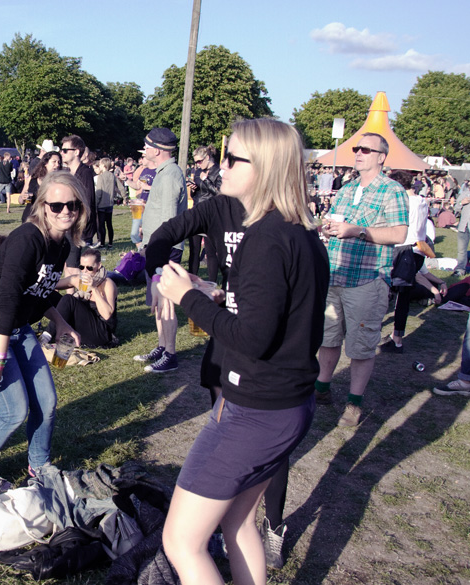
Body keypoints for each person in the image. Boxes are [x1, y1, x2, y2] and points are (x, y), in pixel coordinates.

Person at [157, 118, 329, 585]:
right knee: (236, 524)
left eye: (233, 158)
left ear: (267, 167)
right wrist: (217, 296)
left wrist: (184, 296)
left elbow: (253, 338)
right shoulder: (300, 233)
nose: (221, 165)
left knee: (182, 542)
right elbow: (279, 317)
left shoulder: (265, 238)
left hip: (257, 410)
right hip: (284, 404)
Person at [0, 171, 86, 494]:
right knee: (13, 410)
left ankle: (38, 464)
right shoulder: (27, 239)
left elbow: (38, 291)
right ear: (43, 206)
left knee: (46, 399)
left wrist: (61, 322)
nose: (65, 212)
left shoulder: (61, 245)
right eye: (56, 206)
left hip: (17, 326)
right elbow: (7, 299)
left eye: (72, 205)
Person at [315, 132, 408, 427]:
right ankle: (321, 389)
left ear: (381, 157)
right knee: (328, 338)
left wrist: (358, 231)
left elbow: (400, 234)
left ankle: (354, 403)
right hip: (334, 275)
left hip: (367, 279)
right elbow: (334, 221)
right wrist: (327, 228)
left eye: (367, 149)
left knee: (361, 345)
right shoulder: (346, 188)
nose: (358, 153)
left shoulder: (392, 191)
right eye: (357, 148)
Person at [135, 128, 187, 374]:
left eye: (146, 147)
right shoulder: (164, 173)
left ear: (156, 149)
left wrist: (157, 250)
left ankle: (171, 354)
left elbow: (169, 221)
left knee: (165, 301)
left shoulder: (169, 176)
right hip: (156, 248)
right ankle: (161, 346)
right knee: (157, 301)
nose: (144, 151)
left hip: (164, 250)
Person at [379, 170, 430, 354]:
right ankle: (395, 337)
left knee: (392, 293)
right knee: (401, 296)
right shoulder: (422, 200)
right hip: (417, 250)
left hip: (404, 249)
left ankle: (396, 340)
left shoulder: (406, 202)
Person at [44, 247, 117, 348]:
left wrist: (94, 288)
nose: (85, 271)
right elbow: (51, 285)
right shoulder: (79, 279)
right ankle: (23, 327)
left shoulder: (107, 284)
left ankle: (46, 336)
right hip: (83, 325)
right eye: (82, 267)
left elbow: (107, 315)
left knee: (69, 299)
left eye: (89, 268)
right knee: (49, 294)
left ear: (99, 266)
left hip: (101, 333)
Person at [186, 145, 222, 281]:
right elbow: (197, 193)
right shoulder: (197, 172)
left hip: (212, 214)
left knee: (211, 251)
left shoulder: (218, 171)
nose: (197, 164)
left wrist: (205, 180)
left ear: (207, 158)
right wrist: (194, 188)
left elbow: (219, 192)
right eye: (195, 162)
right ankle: (192, 280)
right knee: (194, 251)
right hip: (197, 211)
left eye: (200, 161)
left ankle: (212, 282)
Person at [20, 150, 62, 224]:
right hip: (29, 217)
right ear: (45, 163)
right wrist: (23, 198)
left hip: (46, 220)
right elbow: (20, 199)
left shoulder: (58, 182)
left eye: (59, 162)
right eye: (54, 162)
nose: (57, 164)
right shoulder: (33, 178)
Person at [94, 158, 122, 249]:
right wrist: (125, 197)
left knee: (101, 226)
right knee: (109, 224)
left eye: (100, 164)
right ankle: (110, 244)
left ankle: (102, 243)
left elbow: (99, 192)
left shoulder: (101, 177)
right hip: (110, 204)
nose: (99, 166)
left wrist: (95, 203)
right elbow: (121, 187)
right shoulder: (113, 176)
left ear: (104, 166)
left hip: (101, 204)